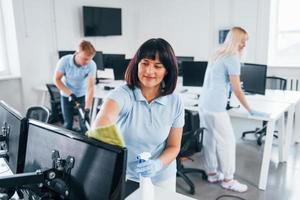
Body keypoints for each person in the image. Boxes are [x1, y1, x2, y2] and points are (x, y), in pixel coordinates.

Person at [92, 38, 184, 192]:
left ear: (167, 70)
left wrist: (157, 164)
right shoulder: (123, 94)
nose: (149, 71)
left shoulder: (175, 101)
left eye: (157, 66)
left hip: (162, 176)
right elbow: (103, 121)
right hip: (128, 177)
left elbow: (174, 146)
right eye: (145, 63)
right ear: (137, 64)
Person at [199, 27, 268, 192]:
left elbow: (215, 81)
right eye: (243, 40)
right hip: (215, 107)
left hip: (204, 103)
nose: (245, 44)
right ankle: (228, 179)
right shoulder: (232, 58)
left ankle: (212, 173)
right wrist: (250, 109)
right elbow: (237, 90)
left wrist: (229, 86)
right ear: (237, 41)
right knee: (228, 142)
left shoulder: (217, 54)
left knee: (209, 140)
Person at [54, 40, 96, 132]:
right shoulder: (64, 61)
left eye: (90, 59)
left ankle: (85, 146)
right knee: (67, 123)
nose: (87, 62)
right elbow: (56, 80)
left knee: (84, 125)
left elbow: (90, 87)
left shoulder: (91, 65)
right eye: (85, 59)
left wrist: (87, 109)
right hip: (66, 95)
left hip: (82, 95)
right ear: (77, 53)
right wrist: (70, 93)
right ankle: (65, 145)